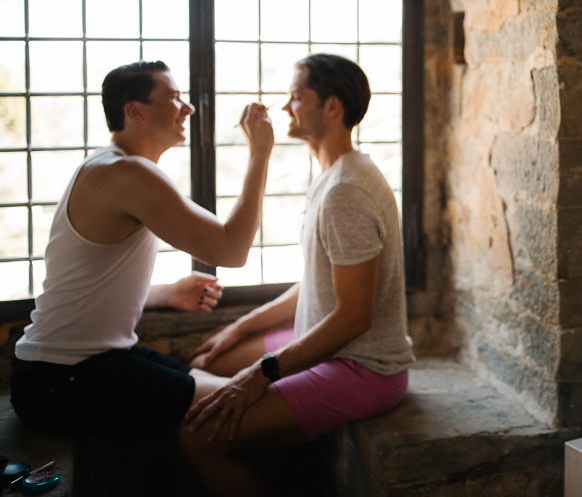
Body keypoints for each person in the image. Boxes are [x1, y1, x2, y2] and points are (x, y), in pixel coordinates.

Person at [180, 54, 414, 497]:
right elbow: (317, 284)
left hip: (363, 366)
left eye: (296, 97)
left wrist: (257, 376)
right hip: (325, 340)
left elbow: (353, 318)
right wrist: (238, 328)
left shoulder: (348, 189)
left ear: (332, 106)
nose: (286, 108)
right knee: (205, 364)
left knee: (197, 436)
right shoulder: (332, 175)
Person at [11, 60, 274, 442]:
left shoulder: (112, 165)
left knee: (228, 386)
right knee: (247, 401)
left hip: (95, 360)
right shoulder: (126, 173)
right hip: (64, 376)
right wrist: (260, 155)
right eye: (173, 97)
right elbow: (232, 249)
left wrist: (168, 293)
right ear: (134, 111)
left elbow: (84, 286)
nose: (188, 108)